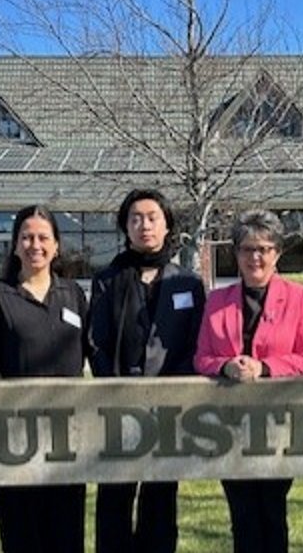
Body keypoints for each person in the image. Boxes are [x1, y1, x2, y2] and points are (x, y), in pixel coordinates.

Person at [194, 209, 303, 553]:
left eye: (264, 248)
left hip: (278, 423)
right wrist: (225, 367)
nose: (256, 257)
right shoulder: (217, 301)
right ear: (235, 254)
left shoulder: (299, 298)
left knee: (272, 514)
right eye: (247, 249)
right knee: (243, 517)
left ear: (277, 253)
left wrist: (263, 368)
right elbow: (202, 357)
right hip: (228, 426)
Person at [89, 189, 206, 553]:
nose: (144, 225)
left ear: (167, 224)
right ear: (125, 226)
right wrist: (118, 390)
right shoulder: (108, 280)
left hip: (169, 409)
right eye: (135, 218)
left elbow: (195, 343)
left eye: (152, 217)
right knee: (115, 501)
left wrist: (172, 390)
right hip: (118, 407)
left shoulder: (186, 282)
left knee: (160, 498)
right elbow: (96, 343)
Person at [0, 205, 90, 553]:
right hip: (14, 436)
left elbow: (86, 352)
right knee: (22, 531)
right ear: (15, 245)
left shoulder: (73, 295)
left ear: (56, 246)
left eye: (42, 237)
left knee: (67, 530)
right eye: (26, 237)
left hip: (66, 433)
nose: (34, 245)